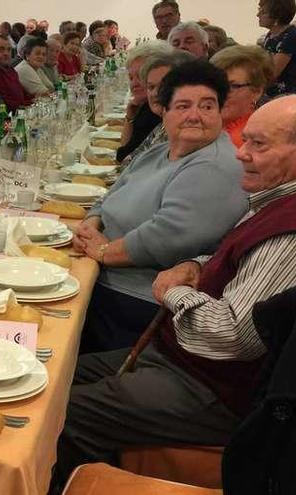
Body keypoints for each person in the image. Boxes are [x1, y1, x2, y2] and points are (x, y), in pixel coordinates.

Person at [54, 94, 296, 490]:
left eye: (259, 145)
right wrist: (197, 265)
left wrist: (173, 291)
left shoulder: (288, 232)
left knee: (59, 415)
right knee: (55, 375)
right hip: (176, 357)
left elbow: (232, 336)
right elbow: (234, 258)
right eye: (245, 141)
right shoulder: (272, 198)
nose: (242, 154)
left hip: (213, 388)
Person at [74, 60, 249, 353]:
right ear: (163, 112)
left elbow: (166, 237)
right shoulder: (160, 152)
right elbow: (111, 193)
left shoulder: (218, 165)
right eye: (182, 106)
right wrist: (90, 224)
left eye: (207, 106)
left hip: (138, 299)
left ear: (220, 113)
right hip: (99, 274)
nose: (195, 115)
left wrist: (104, 252)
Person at [120, 51, 194, 167]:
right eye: (151, 87)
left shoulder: (185, 134)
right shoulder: (164, 125)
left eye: (163, 86)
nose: (155, 93)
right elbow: (127, 161)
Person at [117, 41, 172, 163]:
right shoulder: (147, 108)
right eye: (131, 78)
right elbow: (126, 152)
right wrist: (130, 117)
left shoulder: (155, 115)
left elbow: (124, 156)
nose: (134, 84)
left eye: (141, 76)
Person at [210, 45, 274, 148]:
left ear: (257, 91)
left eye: (232, 86)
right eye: (214, 83)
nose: (218, 92)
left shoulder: (250, 139)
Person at [260, 0, 296, 97]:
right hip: (269, 92)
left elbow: (272, 73)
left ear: (277, 16)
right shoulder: (270, 35)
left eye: (263, 12)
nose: (257, 15)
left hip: (285, 95)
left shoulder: (291, 36)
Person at [0, 34, 29, 110]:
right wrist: (28, 105)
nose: (6, 53)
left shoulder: (10, 69)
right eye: (1, 49)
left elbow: (22, 94)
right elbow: (7, 103)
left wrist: (35, 99)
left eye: (9, 50)